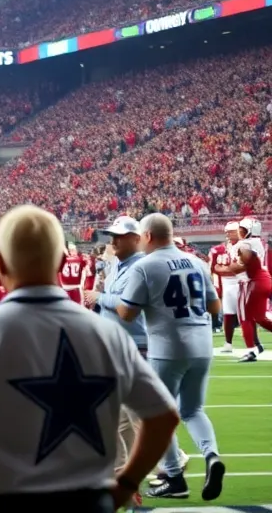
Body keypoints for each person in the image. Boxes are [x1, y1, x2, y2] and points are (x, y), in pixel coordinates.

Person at [0, 205, 180, 513]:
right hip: (88, 500)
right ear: (63, 262)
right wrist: (126, 484)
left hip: (5, 502)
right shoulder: (107, 334)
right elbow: (163, 417)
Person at [116, 213, 225, 501]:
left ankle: (175, 478)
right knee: (192, 410)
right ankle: (212, 456)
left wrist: (108, 297)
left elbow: (127, 314)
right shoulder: (198, 262)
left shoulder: (145, 266)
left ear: (148, 236)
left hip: (168, 347)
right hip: (202, 345)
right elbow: (215, 307)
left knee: (156, 415)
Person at [82, 215, 148, 499]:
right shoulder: (118, 267)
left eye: (120, 236)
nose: (113, 241)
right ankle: (124, 477)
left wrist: (98, 297)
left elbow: (126, 309)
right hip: (116, 345)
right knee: (119, 419)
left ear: (137, 238)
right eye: (112, 235)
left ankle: (169, 464)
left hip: (133, 345)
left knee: (132, 417)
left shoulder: (140, 268)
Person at [216, 217, 272, 363]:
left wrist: (223, 268)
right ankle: (255, 347)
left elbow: (238, 267)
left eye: (242, 230)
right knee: (259, 318)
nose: (239, 232)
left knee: (245, 317)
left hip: (250, 282)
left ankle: (251, 350)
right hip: (262, 279)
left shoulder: (244, 244)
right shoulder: (258, 242)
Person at [209, 223, 240, 353]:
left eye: (232, 231)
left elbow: (240, 269)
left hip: (244, 282)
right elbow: (214, 268)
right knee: (228, 313)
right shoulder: (219, 250)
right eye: (227, 232)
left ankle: (255, 343)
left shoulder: (247, 246)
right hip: (227, 284)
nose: (229, 234)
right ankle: (228, 343)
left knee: (252, 315)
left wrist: (225, 269)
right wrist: (229, 269)